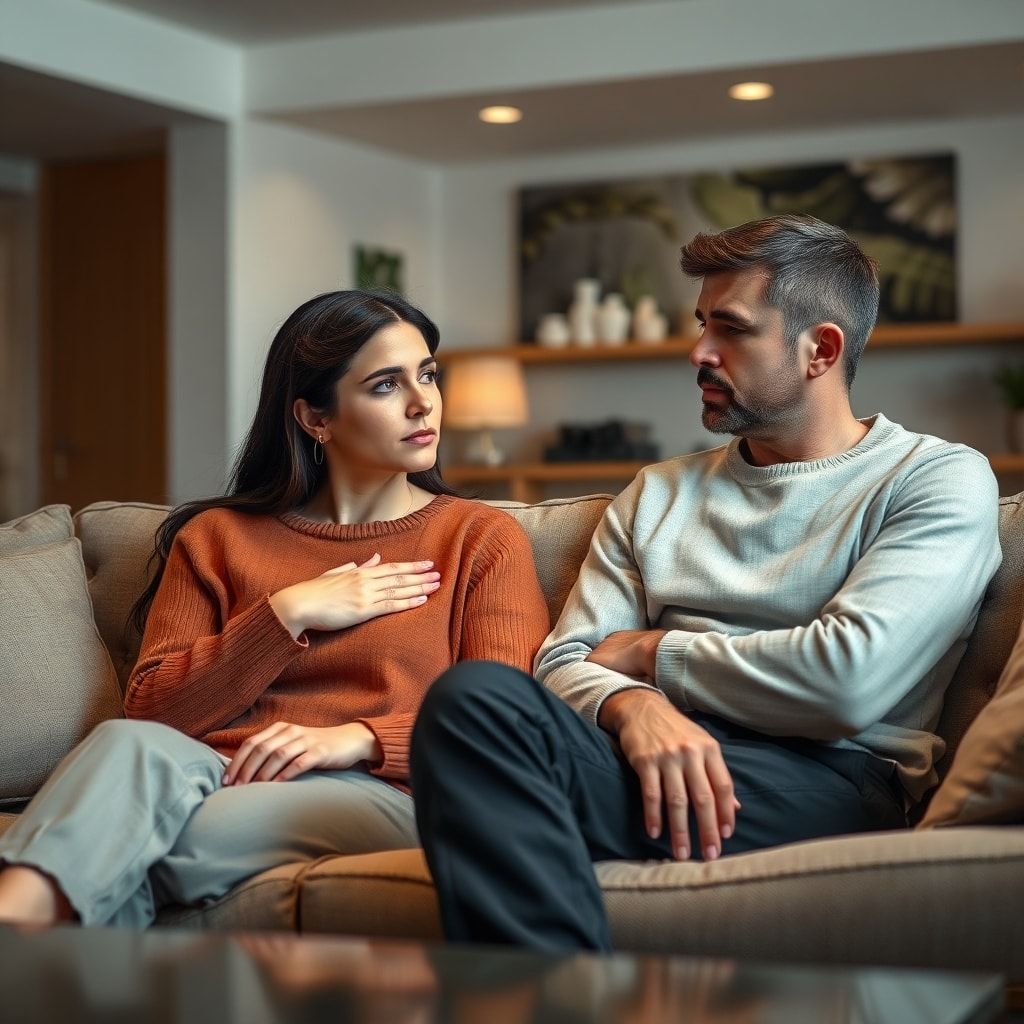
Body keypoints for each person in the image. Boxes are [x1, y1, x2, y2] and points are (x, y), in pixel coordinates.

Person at [410, 215, 1002, 951]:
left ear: (820, 349)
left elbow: (847, 679)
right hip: (640, 753)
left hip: (827, 775)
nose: (698, 352)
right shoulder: (658, 493)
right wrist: (632, 707)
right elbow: (565, 661)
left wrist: (653, 656)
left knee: (499, 792)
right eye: (700, 325)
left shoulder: (933, 478)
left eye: (731, 329)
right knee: (473, 703)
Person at [0, 290, 549, 927]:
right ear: (316, 418)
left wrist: (357, 739)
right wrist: (285, 614)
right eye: (384, 385)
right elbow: (152, 710)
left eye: (427, 374)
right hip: (209, 768)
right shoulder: (216, 537)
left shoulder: (480, 539)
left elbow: (503, 723)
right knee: (127, 746)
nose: (423, 401)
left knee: (136, 839)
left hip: (385, 789)